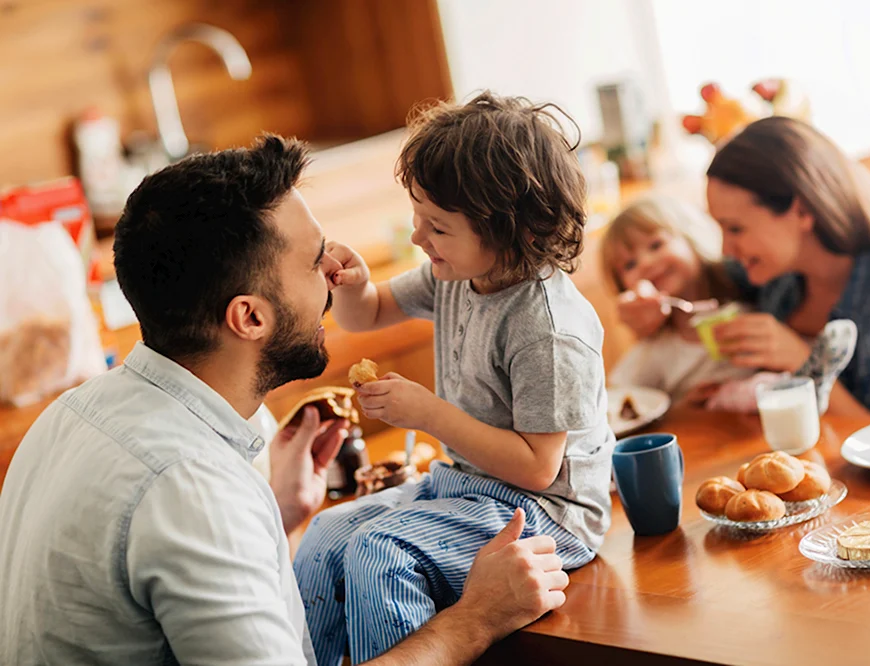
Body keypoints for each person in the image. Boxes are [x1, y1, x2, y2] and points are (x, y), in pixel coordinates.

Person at [0, 136, 569, 666]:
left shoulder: (69, 417)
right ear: (249, 316)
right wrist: (476, 619)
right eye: (313, 260)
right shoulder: (192, 491)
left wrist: (282, 519)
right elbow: (192, 516)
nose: (332, 274)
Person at [294, 92, 614, 665]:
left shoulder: (547, 329)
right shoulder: (458, 274)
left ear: (515, 232)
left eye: (436, 227)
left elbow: (538, 469)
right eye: (418, 219)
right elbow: (366, 314)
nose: (419, 238)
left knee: (379, 554)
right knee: (326, 536)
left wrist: (428, 414)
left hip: (549, 514)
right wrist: (354, 285)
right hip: (465, 487)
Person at [619, 117, 870, 417]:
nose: (726, 247)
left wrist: (804, 363)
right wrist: (650, 302)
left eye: (736, 228)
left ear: (801, 211)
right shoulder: (776, 278)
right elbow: (703, 278)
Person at [600, 195, 755, 404]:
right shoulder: (656, 350)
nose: (645, 263)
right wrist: (678, 407)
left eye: (655, 245)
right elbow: (618, 401)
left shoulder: (756, 299)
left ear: (691, 237)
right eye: (629, 265)